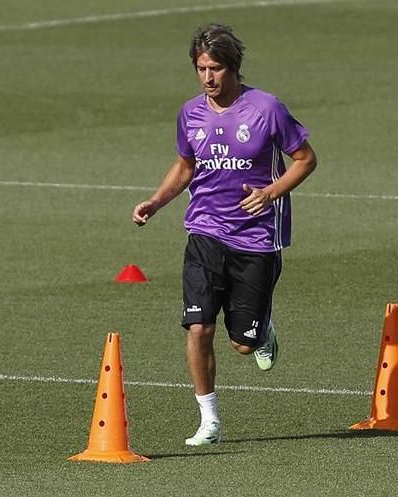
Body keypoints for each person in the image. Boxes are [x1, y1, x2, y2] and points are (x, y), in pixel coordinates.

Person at [131, 23, 317, 446]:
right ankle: (209, 420)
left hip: (256, 238)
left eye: (215, 68)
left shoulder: (267, 109)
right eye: (201, 68)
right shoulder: (190, 113)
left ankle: (261, 327)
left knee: (243, 346)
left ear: (233, 68)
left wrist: (270, 193)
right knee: (198, 328)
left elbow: (305, 159)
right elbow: (185, 167)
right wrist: (156, 202)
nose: (208, 77)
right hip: (205, 231)